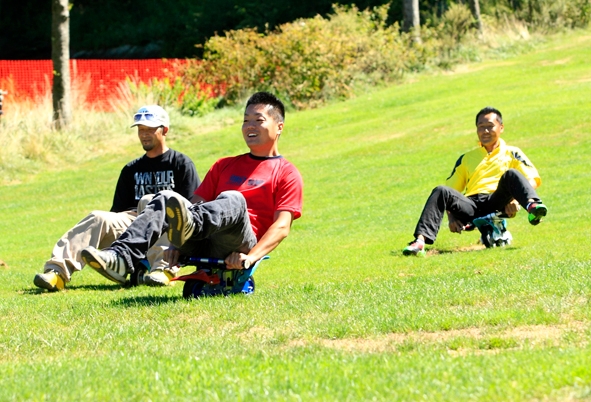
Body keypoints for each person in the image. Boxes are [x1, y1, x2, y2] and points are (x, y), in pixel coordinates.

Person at [80, 92, 303, 285]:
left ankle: (189, 226)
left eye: (258, 120)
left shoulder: (286, 172)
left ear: (279, 126)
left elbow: (282, 226)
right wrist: (176, 242)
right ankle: (121, 257)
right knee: (165, 196)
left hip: (239, 243)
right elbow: (196, 202)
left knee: (233, 197)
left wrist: (251, 257)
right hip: (200, 239)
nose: (250, 126)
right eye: (246, 121)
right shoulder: (224, 165)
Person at [34, 105, 200, 290]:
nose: (144, 134)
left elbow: (190, 209)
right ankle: (57, 272)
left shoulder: (181, 164)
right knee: (98, 217)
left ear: (165, 130)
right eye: (140, 129)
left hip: (169, 227)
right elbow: (118, 211)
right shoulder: (131, 169)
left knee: (149, 200)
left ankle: (163, 269)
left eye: (150, 129)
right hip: (134, 222)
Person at [402, 106, 548, 256]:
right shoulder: (467, 158)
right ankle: (419, 242)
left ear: (501, 127)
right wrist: (451, 217)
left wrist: (516, 201)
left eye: (490, 126)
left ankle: (533, 208)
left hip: (496, 200)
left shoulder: (513, 152)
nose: (485, 131)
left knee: (511, 174)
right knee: (440, 190)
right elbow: (451, 190)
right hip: (471, 206)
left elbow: (532, 179)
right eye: (481, 127)